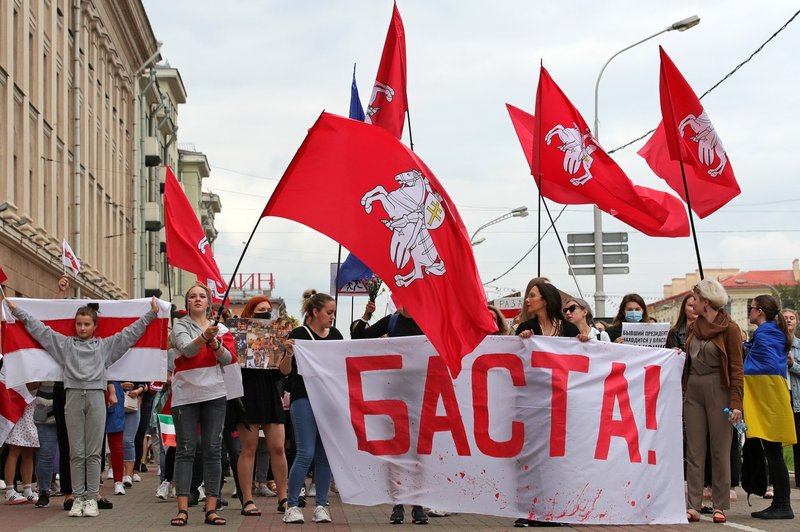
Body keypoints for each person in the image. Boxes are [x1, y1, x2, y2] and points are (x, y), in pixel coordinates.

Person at [5, 296, 159, 517]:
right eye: (79, 324)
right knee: (77, 451)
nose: (83, 328)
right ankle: (78, 498)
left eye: (87, 324)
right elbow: (40, 330)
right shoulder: (65, 345)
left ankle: (91, 498)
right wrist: (18, 311)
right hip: (73, 397)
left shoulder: (104, 346)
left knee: (94, 451)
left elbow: (128, 335)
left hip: (96, 397)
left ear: (95, 326)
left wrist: (151, 314)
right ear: (74, 325)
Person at [351, 301, 432, 524]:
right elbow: (358, 339)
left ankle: (417, 504)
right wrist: (366, 314)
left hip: (420, 395)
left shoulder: (428, 321)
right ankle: (398, 503)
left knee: (417, 452)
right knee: (396, 451)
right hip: (394, 397)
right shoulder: (392, 321)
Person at [169, 283, 235, 526]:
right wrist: (204, 337)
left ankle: (211, 508)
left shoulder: (221, 327)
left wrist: (216, 343)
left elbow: (229, 358)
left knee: (213, 450)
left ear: (209, 302)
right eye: (193, 296)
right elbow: (186, 350)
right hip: (185, 396)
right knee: (185, 450)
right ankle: (182, 509)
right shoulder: (180, 325)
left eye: (202, 296)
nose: (197, 299)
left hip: (215, 394)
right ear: (187, 302)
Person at [682, 280, 743, 524]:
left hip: (720, 389)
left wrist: (736, 403)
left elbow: (737, 369)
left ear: (706, 301)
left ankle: (720, 506)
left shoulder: (730, 329)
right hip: (693, 389)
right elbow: (686, 361)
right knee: (694, 450)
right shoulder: (692, 327)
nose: (692, 303)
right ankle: (693, 506)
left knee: (720, 449)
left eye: (695, 299)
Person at [281, 290, 341, 525]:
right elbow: (285, 371)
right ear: (315, 312)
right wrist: (287, 353)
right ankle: (292, 505)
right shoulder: (299, 334)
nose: (332, 317)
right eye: (329, 312)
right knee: (305, 452)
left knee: (325, 455)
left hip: (328, 400)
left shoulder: (335, 335)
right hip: (304, 398)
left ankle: (322, 505)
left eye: (334, 312)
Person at [232, 296, 288, 516]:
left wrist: (288, 352)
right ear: (250, 313)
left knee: (278, 447)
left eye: (268, 310)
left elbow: (282, 372)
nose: (265, 313)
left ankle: (284, 497)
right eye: (260, 310)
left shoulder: (276, 335)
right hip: (247, 394)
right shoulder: (238, 335)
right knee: (249, 449)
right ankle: (247, 499)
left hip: (269, 394)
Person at [744, 295, 795, 520]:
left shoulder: (767, 333)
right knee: (772, 451)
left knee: (773, 451)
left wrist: (742, 351)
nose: (749, 312)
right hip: (770, 396)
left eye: (751, 308)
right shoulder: (770, 332)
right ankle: (779, 503)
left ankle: (783, 504)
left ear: (760, 311)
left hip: (769, 396)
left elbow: (763, 365)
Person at [3, 382, 39, 505]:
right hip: (18, 409)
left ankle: (28, 489)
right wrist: (43, 380)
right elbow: (30, 385)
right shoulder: (18, 366)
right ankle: (9, 491)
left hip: (30, 411)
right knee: (15, 450)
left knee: (28, 451)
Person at [785, 308, 800, 488]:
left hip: (796, 399)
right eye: (785, 318)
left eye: (792, 318)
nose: (789, 320)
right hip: (779, 396)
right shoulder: (776, 344)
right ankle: (774, 482)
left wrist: (792, 364)